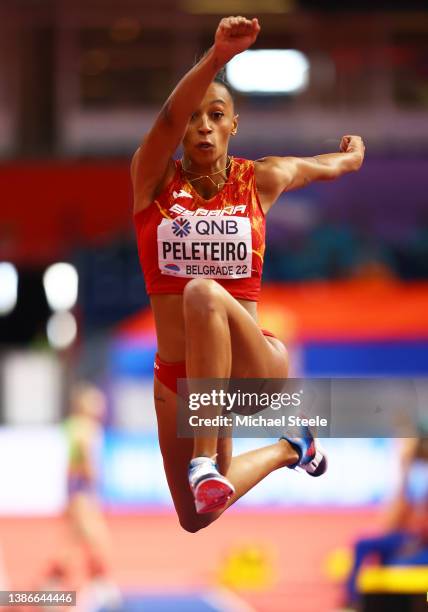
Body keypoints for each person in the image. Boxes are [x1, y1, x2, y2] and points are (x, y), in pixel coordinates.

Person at [131, 16, 364, 531]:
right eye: (193, 118)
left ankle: (203, 461)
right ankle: (291, 448)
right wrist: (215, 57)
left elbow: (321, 166)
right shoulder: (152, 178)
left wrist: (351, 159)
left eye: (216, 115)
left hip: (251, 370)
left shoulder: (258, 180)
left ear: (234, 124)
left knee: (202, 293)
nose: (203, 126)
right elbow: (167, 116)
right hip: (182, 379)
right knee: (195, 518)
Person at [42, 383, 120, 609]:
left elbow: (69, 463)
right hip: (83, 493)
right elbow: (83, 459)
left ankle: (53, 583)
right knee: (98, 538)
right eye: (96, 401)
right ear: (86, 405)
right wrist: (93, 484)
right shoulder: (86, 427)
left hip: (76, 492)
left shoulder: (72, 426)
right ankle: (102, 584)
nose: (101, 405)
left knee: (72, 541)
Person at [344, 437, 428, 607]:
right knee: (364, 544)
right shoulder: (411, 476)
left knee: (396, 563)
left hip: (421, 542)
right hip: (408, 536)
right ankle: (352, 600)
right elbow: (394, 519)